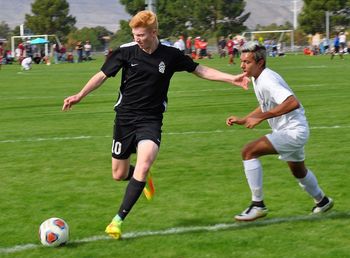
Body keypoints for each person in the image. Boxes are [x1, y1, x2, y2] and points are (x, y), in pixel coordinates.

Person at [62, 10, 249, 239]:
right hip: (125, 119)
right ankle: (142, 180)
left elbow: (200, 70)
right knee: (119, 174)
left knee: (144, 162)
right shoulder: (125, 52)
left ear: (153, 32)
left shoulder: (170, 55)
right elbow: (101, 75)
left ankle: (117, 221)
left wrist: (232, 78)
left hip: (150, 120)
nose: (137, 38)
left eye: (140, 34)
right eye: (134, 34)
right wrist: (80, 95)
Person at [226, 41, 333, 222]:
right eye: (242, 61)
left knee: (248, 151)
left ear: (260, 63)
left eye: (247, 62)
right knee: (299, 171)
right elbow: (266, 105)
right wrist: (245, 119)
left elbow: (292, 102)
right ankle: (322, 201)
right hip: (292, 130)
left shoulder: (267, 79)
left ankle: (258, 205)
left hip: (293, 132)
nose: (242, 65)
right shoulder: (257, 78)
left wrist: (262, 117)